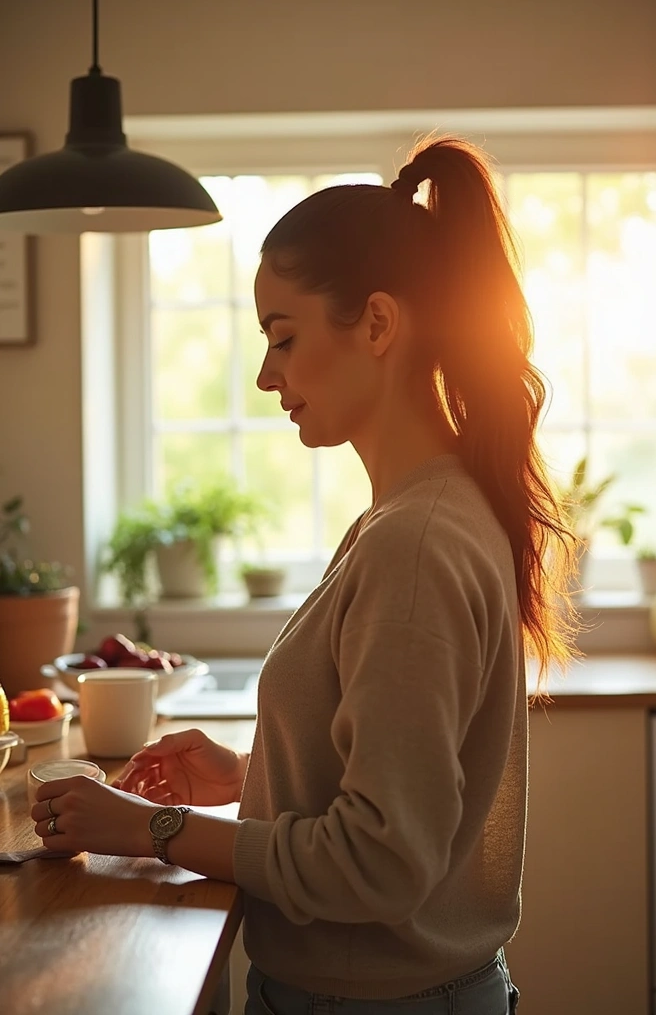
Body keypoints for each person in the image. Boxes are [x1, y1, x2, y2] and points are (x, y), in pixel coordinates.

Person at [32, 136, 577, 1015]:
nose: (263, 374)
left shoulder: (416, 543)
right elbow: (396, 788)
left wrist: (152, 829)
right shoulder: (411, 516)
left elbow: (381, 862)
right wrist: (252, 775)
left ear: (377, 324)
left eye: (283, 337)